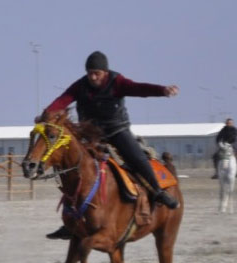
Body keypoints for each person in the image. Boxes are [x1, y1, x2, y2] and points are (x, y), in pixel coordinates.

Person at [42, 51, 180, 240]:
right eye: (90, 73)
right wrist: (46, 114)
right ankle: (70, 221)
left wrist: (162, 90)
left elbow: (139, 89)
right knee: (71, 169)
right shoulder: (80, 86)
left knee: (137, 158)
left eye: (96, 73)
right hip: (90, 135)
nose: (93, 77)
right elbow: (63, 99)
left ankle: (157, 192)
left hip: (116, 131)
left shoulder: (117, 82)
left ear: (105, 72)